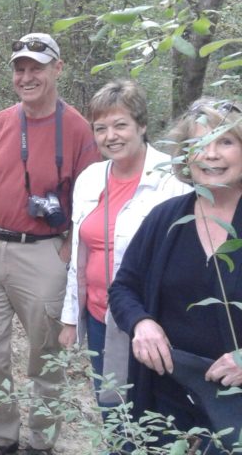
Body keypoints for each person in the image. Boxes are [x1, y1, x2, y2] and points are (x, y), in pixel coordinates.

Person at [0, 33, 99, 455]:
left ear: (58, 68)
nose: (27, 76)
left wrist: (68, 252)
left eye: (37, 67)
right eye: (20, 68)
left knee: (47, 356)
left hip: (44, 252)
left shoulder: (78, 130)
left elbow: (91, 200)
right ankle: (2, 436)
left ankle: (41, 440)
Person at [109, 99, 242, 449]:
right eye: (199, 144)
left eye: (225, 142)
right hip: (165, 396)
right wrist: (141, 322)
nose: (210, 154)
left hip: (235, 405)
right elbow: (124, 287)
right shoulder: (166, 218)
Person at [58, 80, 190, 409]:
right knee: (112, 412)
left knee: (154, 418)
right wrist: (71, 317)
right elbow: (79, 254)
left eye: (120, 125)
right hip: (100, 318)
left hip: (153, 325)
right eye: (100, 128)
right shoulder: (90, 178)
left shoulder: (173, 182)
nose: (110, 136)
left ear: (142, 125)